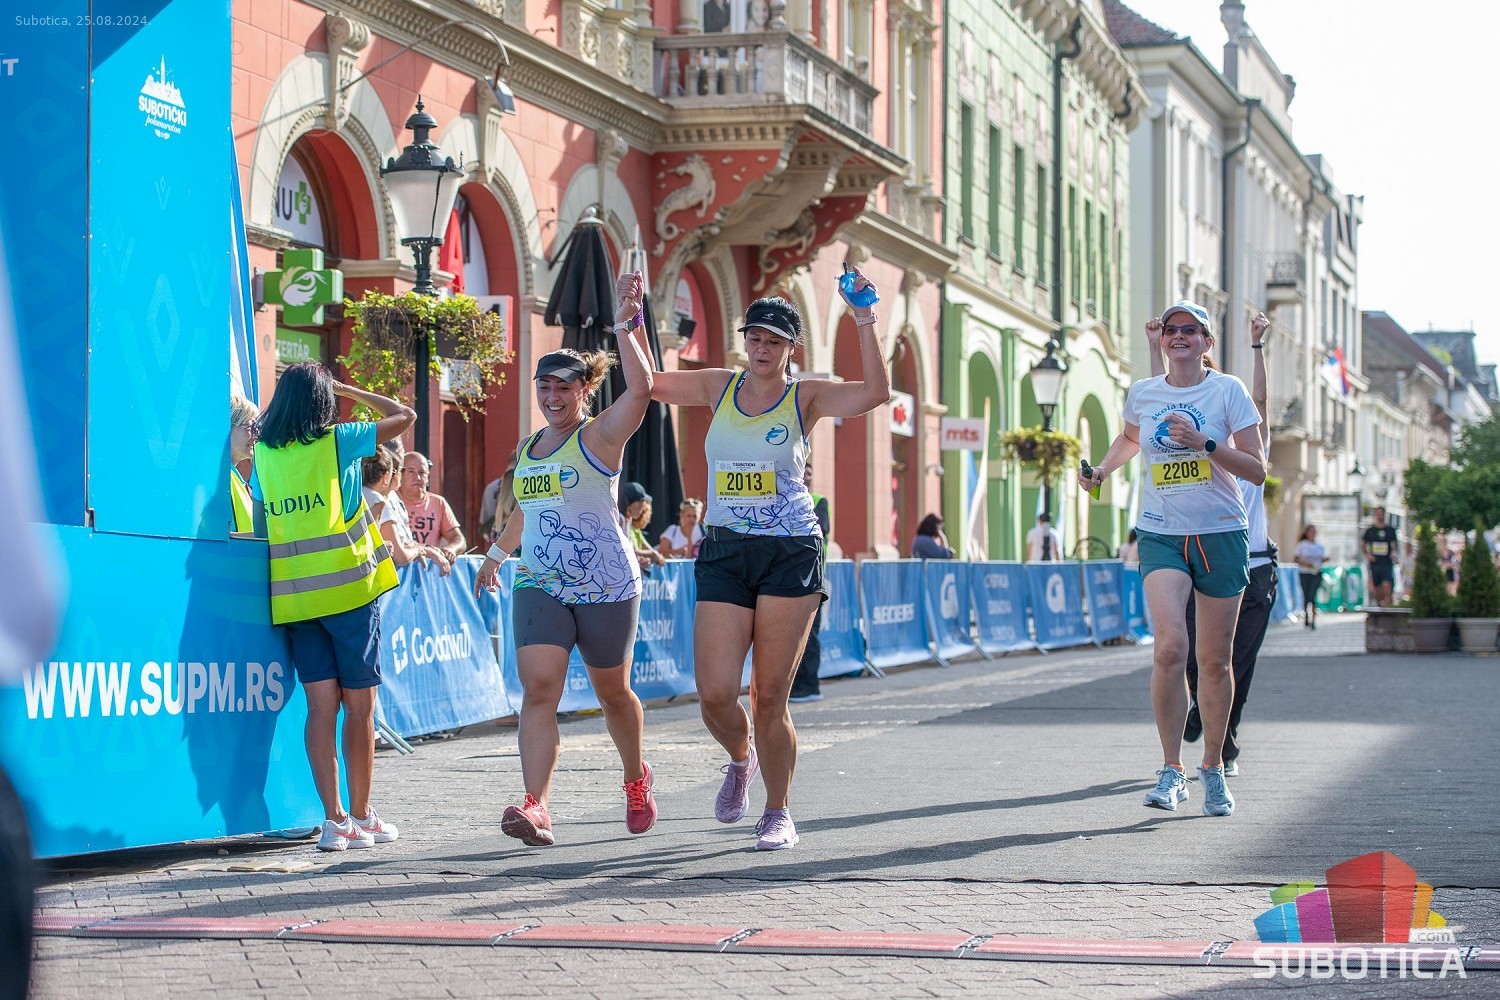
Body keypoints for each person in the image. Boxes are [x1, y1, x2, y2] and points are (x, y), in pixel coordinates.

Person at [646, 269, 888, 851]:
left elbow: (875, 394)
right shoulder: (718, 386)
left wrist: (863, 317)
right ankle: (741, 757)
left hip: (790, 550)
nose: (761, 349)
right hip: (725, 547)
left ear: (790, 348)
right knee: (714, 693)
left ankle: (778, 811)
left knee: (770, 695)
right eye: (754, 337)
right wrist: (631, 322)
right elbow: (649, 384)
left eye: (774, 341)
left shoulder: (807, 396)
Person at [474, 271, 658, 847]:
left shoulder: (601, 436)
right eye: (544, 387)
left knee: (612, 694)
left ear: (585, 390)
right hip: (541, 580)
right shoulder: (529, 446)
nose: (552, 398)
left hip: (606, 582)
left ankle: (635, 777)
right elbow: (528, 511)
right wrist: (496, 555)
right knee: (539, 688)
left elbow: (642, 390)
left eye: (563, 388)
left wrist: (627, 323)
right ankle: (537, 806)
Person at [1079, 300, 1265, 819]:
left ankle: (1212, 767)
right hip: (1161, 532)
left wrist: (1205, 443)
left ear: (1206, 342)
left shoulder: (1228, 391)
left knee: (1214, 660)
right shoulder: (1145, 392)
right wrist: (1103, 470)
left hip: (1220, 532)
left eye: (1189, 329)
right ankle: (1171, 769)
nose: (1178, 336)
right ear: (1161, 340)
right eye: (1170, 329)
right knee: (1169, 648)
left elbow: (1256, 469)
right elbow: (1131, 438)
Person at [249, 362, 415, 851]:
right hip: (349, 591)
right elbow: (404, 415)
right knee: (360, 707)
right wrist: (348, 387)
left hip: (297, 598)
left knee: (320, 708)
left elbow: (260, 525)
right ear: (324, 400)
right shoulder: (338, 440)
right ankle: (362, 816)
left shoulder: (265, 454)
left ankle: (334, 820)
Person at [1176, 311, 1276, 778]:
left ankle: (1226, 743)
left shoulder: (1253, 453)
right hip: (1209, 559)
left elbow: (1260, 399)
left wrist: (1257, 347)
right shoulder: (1202, 451)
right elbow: (1165, 410)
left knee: (1238, 661)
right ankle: (1201, 705)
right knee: (1195, 655)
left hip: (1255, 567)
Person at [362, 450, 448, 573]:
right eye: (402, 470)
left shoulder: (364, 494)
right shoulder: (377, 500)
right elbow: (399, 555)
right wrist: (419, 551)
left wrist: (420, 548)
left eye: (422, 472)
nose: (401, 476)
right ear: (387, 476)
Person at [789, 466, 830, 703]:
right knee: (790, 635)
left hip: (811, 576)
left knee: (809, 634)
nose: (806, 476)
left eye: (809, 473)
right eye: (803, 471)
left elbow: (819, 530)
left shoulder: (818, 501)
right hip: (788, 576)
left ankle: (810, 686)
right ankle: (793, 687)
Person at [398, 452, 466, 561]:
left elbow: (458, 539)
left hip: (430, 567)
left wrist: (451, 549)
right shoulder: (391, 500)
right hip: (400, 565)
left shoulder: (438, 503)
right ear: (400, 474)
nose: (418, 477)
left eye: (422, 473)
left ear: (428, 477)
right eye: (411, 472)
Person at [230, 395, 261, 536]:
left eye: (257, 428)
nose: (256, 435)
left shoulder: (236, 479)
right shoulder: (217, 480)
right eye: (250, 427)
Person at [621, 482, 665, 571]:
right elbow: (624, 550)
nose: (644, 508)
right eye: (643, 502)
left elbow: (630, 551)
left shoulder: (628, 519)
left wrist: (644, 558)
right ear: (636, 504)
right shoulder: (619, 519)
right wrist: (652, 554)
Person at [1362, 506, 1399, 608]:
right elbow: (1363, 544)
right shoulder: (1370, 531)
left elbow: (1395, 544)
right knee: (1377, 589)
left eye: (1381, 514)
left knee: (1386, 585)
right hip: (1375, 563)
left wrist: (1394, 553)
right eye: (1377, 513)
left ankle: (1387, 608)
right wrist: (1368, 555)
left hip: (1386, 562)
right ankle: (1380, 605)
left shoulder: (1390, 530)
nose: (1379, 516)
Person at [1294, 525, 1327, 628]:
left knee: (1312, 595)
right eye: (1310, 531)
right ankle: (1306, 617)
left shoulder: (1319, 546)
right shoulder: (1302, 545)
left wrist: (1324, 560)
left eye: (1314, 532)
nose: (1312, 534)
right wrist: (1305, 563)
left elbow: (1324, 557)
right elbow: (1295, 558)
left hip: (1316, 573)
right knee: (1306, 595)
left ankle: (1313, 620)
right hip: (1304, 573)